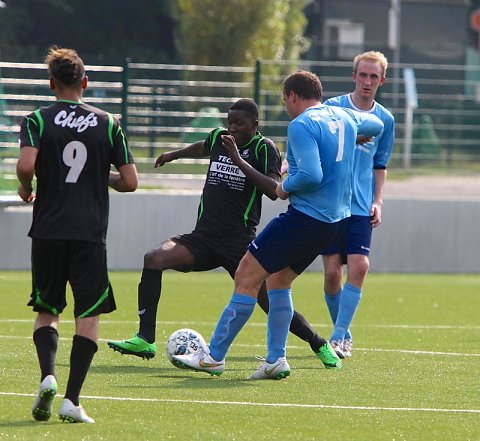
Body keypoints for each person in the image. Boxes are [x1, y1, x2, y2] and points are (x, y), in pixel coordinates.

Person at [172, 70, 384, 379]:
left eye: (286, 100)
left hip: (306, 218)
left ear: (293, 96)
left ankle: (213, 357)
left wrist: (285, 187)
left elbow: (311, 175)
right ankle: (275, 359)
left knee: (246, 273)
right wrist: (355, 133)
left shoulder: (301, 124)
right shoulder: (343, 118)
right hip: (337, 220)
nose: (287, 107)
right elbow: (376, 124)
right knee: (278, 281)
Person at [107, 98, 342, 370]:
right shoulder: (221, 138)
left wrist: (238, 160)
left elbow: (273, 190)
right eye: (230, 122)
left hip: (240, 244)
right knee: (154, 258)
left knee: (270, 302)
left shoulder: (264, 148)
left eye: (239, 123)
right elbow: (203, 147)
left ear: (255, 125)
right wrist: (175, 154)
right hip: (203, 238)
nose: (232, 128)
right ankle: (145, 338)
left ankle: (318, 343)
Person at [17, 46, 138, 423]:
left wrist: (26, 185)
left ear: (52, 84)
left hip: (49, 230)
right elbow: (131, 182)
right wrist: (100, 174)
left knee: (47, 309)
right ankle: (71, 400)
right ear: (85, 82)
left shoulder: (37, 119)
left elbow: (26, 165)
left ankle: (47, 376)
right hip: (89, 233)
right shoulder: (108, 123)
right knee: (88, 316)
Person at [321, 51, 395, 358]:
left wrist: (378, 201)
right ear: (353, 76)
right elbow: (319, 146)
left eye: (373, 76)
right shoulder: (331, 108)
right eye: (362, 75)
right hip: (329, 204)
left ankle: (339, 337)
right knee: (331, 275)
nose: (367, 81)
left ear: (382, 80)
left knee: (360, 266)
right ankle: (344, 329)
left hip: (361, 207)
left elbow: (381, 165)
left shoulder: (385, 120)